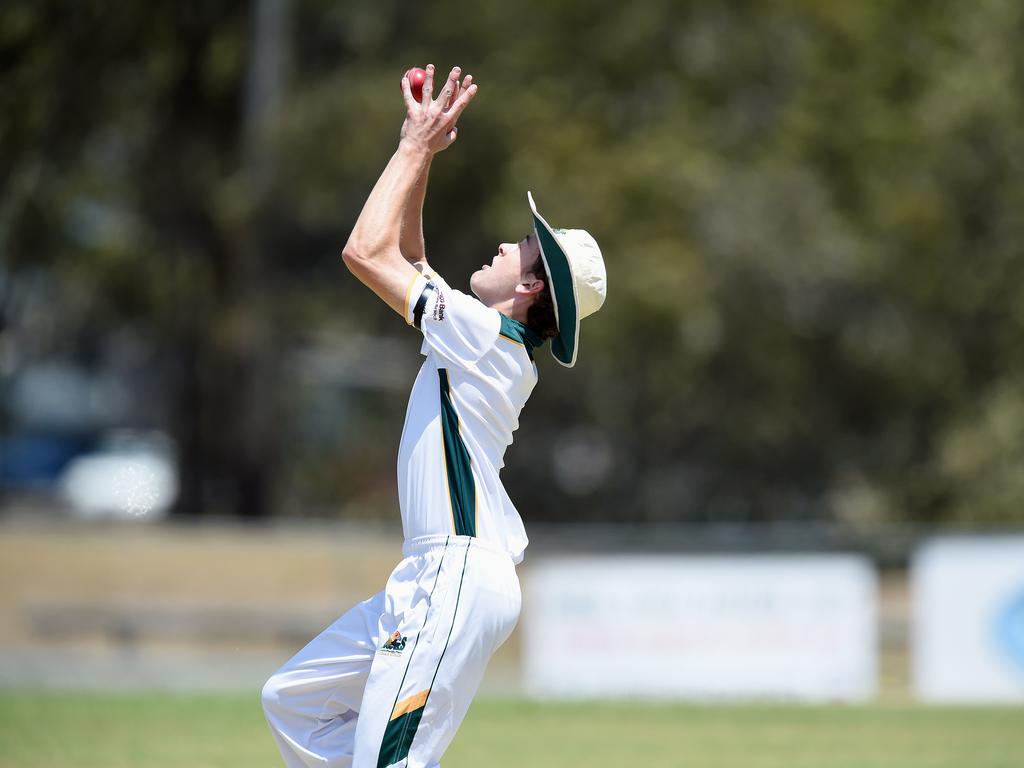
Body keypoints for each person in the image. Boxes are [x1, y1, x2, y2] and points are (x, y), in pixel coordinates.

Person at [261, 64, 607, 768]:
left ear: (533, 283)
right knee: (293, 700)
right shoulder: (488, 337)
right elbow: (411, 257)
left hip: (455, 573)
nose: (506, 245)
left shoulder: (481, 337)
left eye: (522, 247)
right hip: (435, 575)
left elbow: (366, 253)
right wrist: (417, 148)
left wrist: (414, 149)